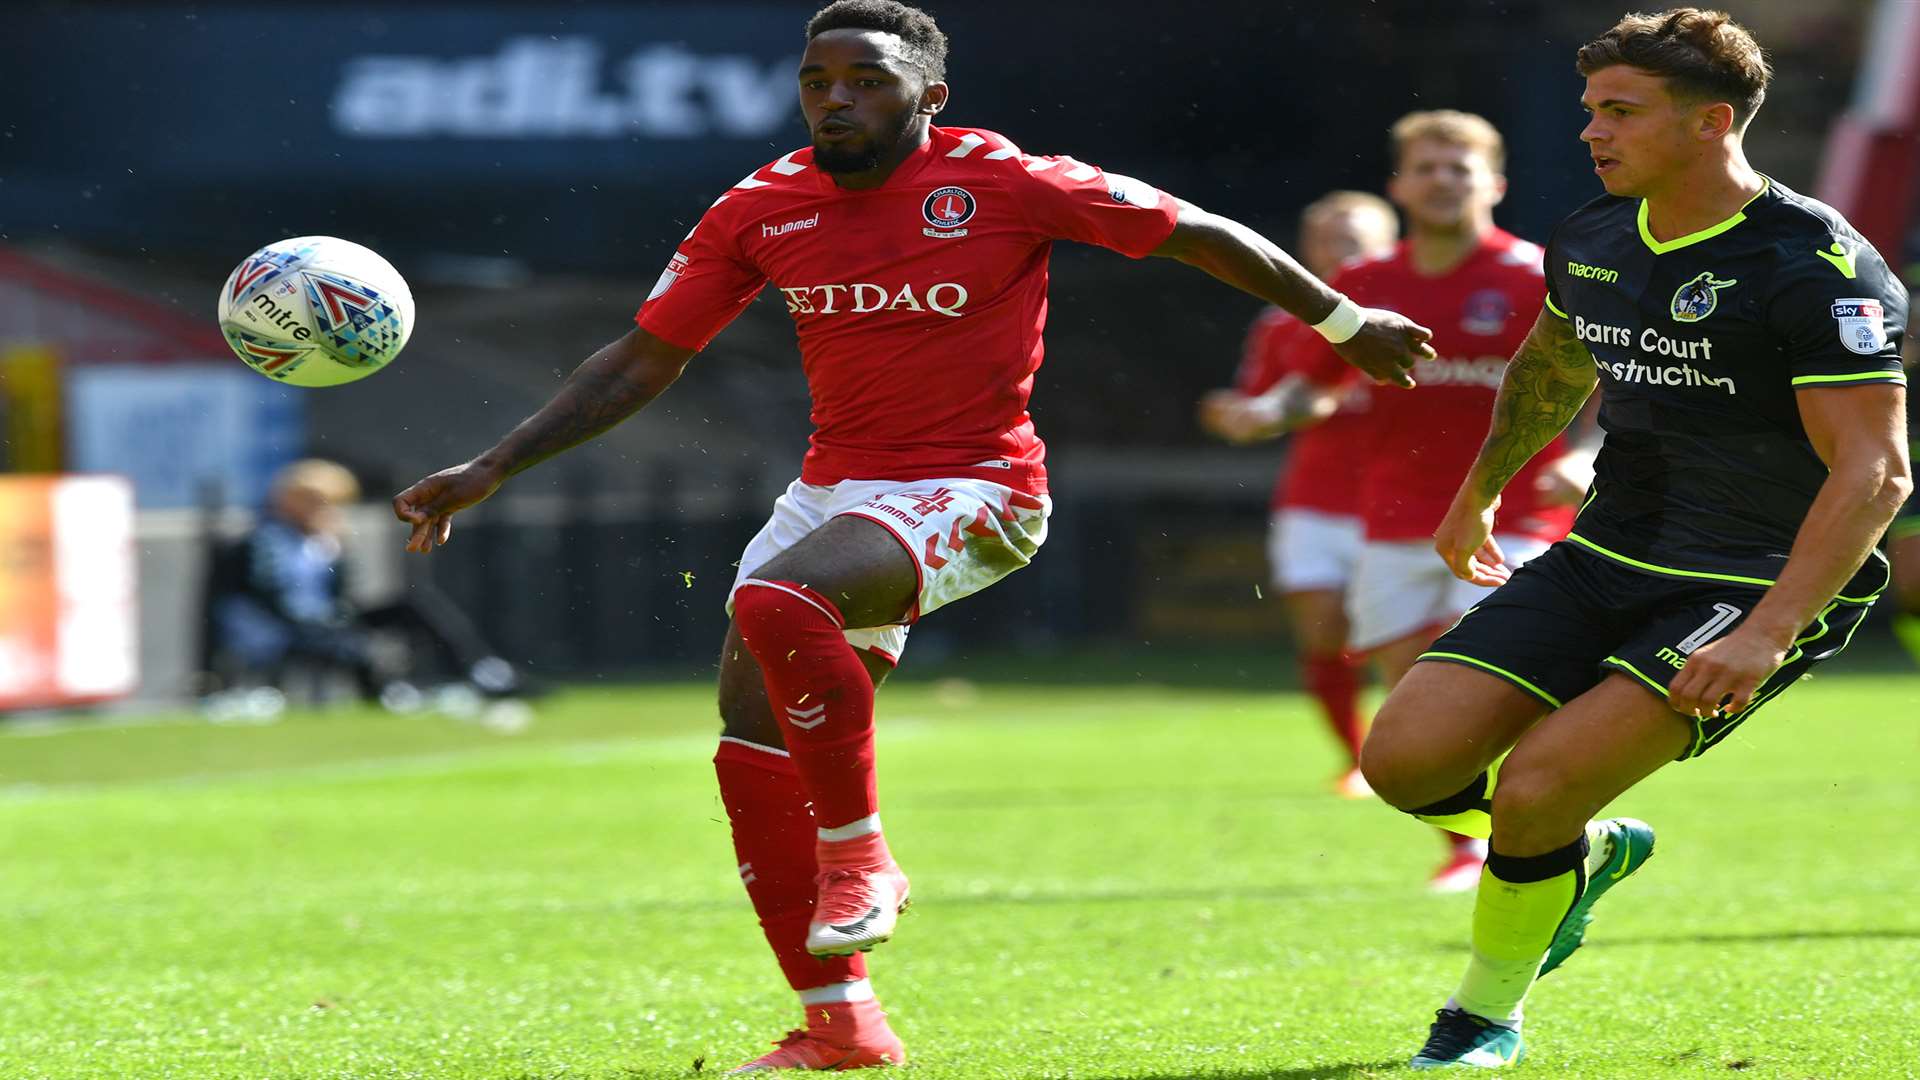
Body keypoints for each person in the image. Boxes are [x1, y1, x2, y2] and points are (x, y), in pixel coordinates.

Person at [389, 1, 1435, 1071]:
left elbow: (1199, 231)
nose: (836, 98)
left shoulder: (1010, 180)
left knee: (776, 599)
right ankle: (842, 1027)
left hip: (980, 486)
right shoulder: (762, 206)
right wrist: (493, 465)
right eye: (817, 81)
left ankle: (861, 855)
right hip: (835, 492)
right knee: (750, 744)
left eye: (866, 80)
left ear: (929, 96)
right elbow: (642, 358)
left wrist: (1343, 324)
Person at [1357, 10, 1910, 1069]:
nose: (1591, 133)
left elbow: (1876, 470)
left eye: (1621, 111)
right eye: (1589, 110)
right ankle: (1579, 855)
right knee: (1405, 763)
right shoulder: (1597, 233)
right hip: (1606, 551)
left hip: (1755, 579)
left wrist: (1766, 634)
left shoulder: (1817, 265)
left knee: (1535, 790)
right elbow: (1552, 367)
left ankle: (1482, 1017)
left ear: (1710, 125)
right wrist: (1481, 491)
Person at [1217, 112, 1583, 892]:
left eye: (1461, 167)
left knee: (1499, 686)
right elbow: (1312, 385)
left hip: (1511, 520)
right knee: (1414, 715)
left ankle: (1526, 839)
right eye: (1427, 167)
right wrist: (1265, 412)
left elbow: (1599, 383)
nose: (1444, 180)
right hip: (1390, 523)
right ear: (1399, 184)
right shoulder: (1366, 284)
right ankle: (1469, 842)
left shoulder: (1534, 276)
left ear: (1496, 184)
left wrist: (1584, 458)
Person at [1198, 190, 1399, 800]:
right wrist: (1239, 415)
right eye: (1326, 239)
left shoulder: (1412, 317)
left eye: (1354, 237)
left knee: (1407, 641)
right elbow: (1258, 403)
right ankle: (1358, 758)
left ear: (1388, 245)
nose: (1340, 249)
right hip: (1314, 501)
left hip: (1402, 504)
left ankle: (1418, 753)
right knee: (1323, 630)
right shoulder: (1282, 322)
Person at [210, 458, 521, 710]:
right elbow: (272, 595)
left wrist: (335, 550)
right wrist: (327, 620)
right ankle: (387, 693)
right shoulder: (267, 539)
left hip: (324, 616)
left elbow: (339, 591)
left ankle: (475, 668)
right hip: (282, 626)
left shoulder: (321, 543)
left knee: (410, 607)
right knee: (352, 645)